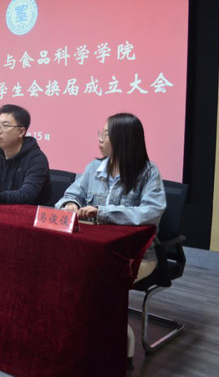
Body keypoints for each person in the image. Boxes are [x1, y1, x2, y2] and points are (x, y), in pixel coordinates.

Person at [54, 112, 166, 370]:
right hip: (95, 250)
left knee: (97, 282)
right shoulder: (93, 168)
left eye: (106, 134)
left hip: (136, 256)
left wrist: (102, 213)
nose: (100, 138)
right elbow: (70, 195)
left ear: (123, 139)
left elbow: (151, 213)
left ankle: (119, 340)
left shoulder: (148, 173)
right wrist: (70, 204)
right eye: (101, 133)